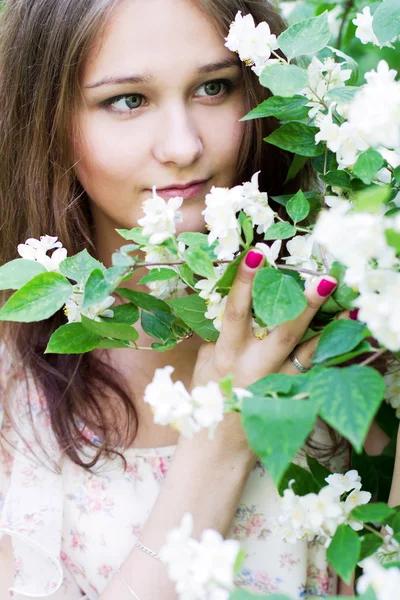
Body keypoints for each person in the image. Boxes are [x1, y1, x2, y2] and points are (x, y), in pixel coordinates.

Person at [0, 0, 392, 598]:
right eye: (127, 100)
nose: (182, 146)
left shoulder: (352, 318)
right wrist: (221, 440)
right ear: (45, 120)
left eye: (214, 87)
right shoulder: (12, 405)